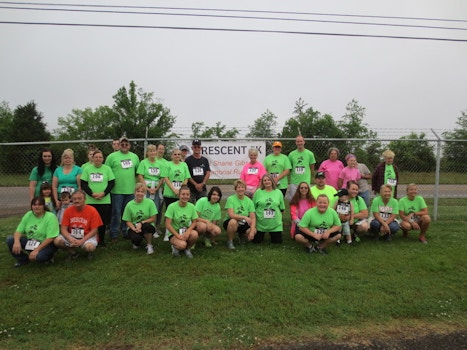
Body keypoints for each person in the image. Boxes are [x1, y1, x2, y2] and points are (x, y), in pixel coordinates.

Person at [6, 196, 59, 267]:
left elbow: (51, 238)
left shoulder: (51, 216)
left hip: (46, 244)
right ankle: (23, 259)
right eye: (34, 205)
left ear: (44, 206)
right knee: (10, 240)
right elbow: (18, 231)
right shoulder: (28, 214)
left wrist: (36, 250)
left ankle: (49, 257)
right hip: (31, 242)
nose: (36, 207)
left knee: (40, 257)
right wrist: (16, 242)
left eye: (39, 205)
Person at [105, 136, 140, 241]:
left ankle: (125, 231)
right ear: (119, 145)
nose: (124, 146)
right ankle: (114, 233)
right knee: (116, 212)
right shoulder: (112, 157)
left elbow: (137, 173)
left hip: (130, 190)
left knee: (127, 213)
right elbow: (106, 171)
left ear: (129, 145)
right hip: (117, 190)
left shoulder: (134, 157)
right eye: (122, 144)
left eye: (126, 144)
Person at [54, 190, 103, 260]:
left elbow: (94, 230)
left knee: (90, 247)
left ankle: (88, 252)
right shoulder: (68, 210)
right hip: (72, 235)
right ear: (72, 200)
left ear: (85, 199)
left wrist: (81, 241)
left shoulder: (92, 210)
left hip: (87, 236)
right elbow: (63, 229)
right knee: (57, 241)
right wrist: (70, 239)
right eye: (74, 199)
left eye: (79, 198)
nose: (77, 201)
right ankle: (73, 252)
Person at [80, 149, 115, 246]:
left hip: (104, 200)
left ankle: (101, 240)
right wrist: (92, 194)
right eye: (96, 157)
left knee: (103, 221)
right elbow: (84, 183)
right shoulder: (87, 169)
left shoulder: (107, 169)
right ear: (92, 158)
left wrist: (103, 193)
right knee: (90, 221)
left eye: (100, 157)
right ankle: (90, 240)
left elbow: (111, 183)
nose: (98, 159)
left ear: (103, 159)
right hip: (91, 200)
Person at [137, 144, 167, 237]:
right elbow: (140, 175)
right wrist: (147, 188)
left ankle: (154, 229)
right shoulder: (143, 163)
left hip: (156, 189)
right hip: (146, 188)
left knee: (156, 208)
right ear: (147, 153)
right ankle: (144, 226)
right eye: (150, 151)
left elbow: (162, 177)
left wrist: (157, 188)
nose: (153, 153)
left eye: (154, 151)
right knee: (146, 208)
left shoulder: (160, 164)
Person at [163, 148, 191, 241]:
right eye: (175, 154)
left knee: (180, 214)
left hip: (181, 193)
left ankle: (180, 231)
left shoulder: (184, 165)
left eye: (179, 154)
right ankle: (168, 233)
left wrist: (181, 190)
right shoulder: (167, 164)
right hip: (169, 193)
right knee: (170, 214)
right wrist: (174, 189)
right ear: (172, 155)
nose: (177, 156)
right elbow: (166, 178)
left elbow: (186, 178)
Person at [122, 183, 157, 254]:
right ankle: (136, 243)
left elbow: (153, 218)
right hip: (134, 226)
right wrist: (134, 228)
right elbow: (127, 220)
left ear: (145, 193)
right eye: (138, 191)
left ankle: (149, 244)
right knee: (136, 239)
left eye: (142, 192)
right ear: (134, 192)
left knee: (147, 226)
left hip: (146, 224)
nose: (140, 193)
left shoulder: (150, 202)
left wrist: (141, 223)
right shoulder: (129, 205)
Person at [165, 185, 198, 258]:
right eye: (183, 194)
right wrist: (178, 236)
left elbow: (194, 222)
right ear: (179, 195)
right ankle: (175, 247)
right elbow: (168, 224)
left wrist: (188, 231)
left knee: (194, 234)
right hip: (174, 233)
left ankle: (187, 249)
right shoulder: (172, 207)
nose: (185, 196)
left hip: (185, 231)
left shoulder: (191, 206)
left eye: (187, 194)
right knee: (182, 245)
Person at [252, 174, 285, 244]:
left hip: (275, 224)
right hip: (260, 223)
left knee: (277, 242)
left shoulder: (278, 192)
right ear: (262, 182)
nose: (267, 182)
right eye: (265, 180)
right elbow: (253, 209)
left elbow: (282, 209)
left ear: (272, 181)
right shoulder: (258, 192)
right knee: (257, 242)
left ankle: (276, 230)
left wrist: (279, 220)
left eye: (269, 180)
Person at [223, 179, 256, 250]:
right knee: (233, 222)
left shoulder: (249, 201)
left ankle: (241, 235)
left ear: (245, 189)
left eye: (242, 187)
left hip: (243, 222)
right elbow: (231, 215)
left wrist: (252, 232)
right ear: (235, 189)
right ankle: (230, 241)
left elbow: (253, 218)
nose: (241, 189)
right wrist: (244, 217)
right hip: (231, 221)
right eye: (238, 187)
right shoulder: (230, 199)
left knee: (254, 230)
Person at [287, 135, 316, 199]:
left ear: (304, 142)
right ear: (295, 142)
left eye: (301, 141)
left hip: (305, 182)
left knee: (305, 201)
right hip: (294, 182)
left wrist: (311, 177)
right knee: (294, 201)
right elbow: (289, 168)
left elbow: (312, 168)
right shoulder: (291, 154)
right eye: (298, 141)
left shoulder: (310, 154)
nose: (299, 143)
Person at [185, 139, 211, 203]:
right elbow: (187, 174)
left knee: (202, 206)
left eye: (198, 147)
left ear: (201, 148)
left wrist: (202, 183)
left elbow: (208, 173)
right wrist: (196, 184)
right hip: (191, 188)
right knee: (190, 206)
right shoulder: (188, 160)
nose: (197, 148)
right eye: (195, 147)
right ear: (192, 148)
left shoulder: (205, 160)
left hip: (202, 188)